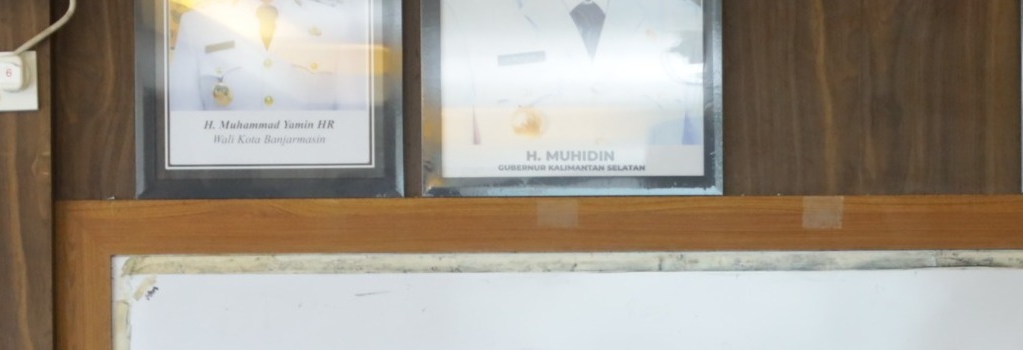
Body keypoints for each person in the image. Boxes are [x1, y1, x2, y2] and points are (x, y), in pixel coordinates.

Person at [436, 0, 706, 159]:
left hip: (647, 223)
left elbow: (696, 152)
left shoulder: (684, 15)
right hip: (520, 222)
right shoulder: (465, 15)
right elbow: (459, 158)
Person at [168, 0, 375, 113]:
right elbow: (184, 115)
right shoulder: (198, 23)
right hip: (226, 174)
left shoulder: (336, 23)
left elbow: (352, 118)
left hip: (312, 174)